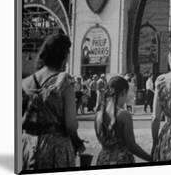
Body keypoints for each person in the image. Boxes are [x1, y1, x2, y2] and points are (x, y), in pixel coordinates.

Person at [22, 33, 85, 171]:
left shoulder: (26, 82)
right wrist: (78, 142)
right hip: (54, 148)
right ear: (63, 55)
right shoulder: (63, 81)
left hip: (27, 145)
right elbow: (70, 125)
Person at [95, 76, 151, 165]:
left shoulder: (98, 114)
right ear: (124, 92)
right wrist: (150, 158)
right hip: (121, 159)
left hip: (103, 158)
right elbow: (131, 145)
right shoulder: (124, 115)